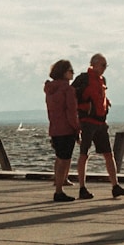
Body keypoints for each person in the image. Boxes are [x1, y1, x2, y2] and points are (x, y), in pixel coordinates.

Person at [73, 53, 124, 200]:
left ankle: (115, 186)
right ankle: (82, 188)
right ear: (94, 64)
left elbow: (99, 96)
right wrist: (80, 114)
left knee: (108, 154)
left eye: (106, 65)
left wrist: (106, 102)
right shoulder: (83, 79)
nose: (105, 68)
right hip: (87, 122)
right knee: (84, 154)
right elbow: (72, 97)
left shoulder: (102, 80)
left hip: (100, 123)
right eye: (103, 65)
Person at [45, 59, 82, 202]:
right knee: (65, 159)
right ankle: (59, 191)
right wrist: (77, 128)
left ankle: (59, 183)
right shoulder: (68, 89)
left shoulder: (50, 89)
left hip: (54, 128)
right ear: (64, 72)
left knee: (59, 157)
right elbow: (71, 112)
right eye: (70, 70)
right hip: (66, 128)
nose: (73, 73)